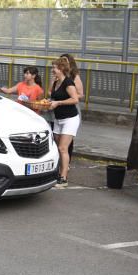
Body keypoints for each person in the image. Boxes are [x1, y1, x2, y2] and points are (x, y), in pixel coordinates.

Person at [49, 58, 81, 187]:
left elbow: (75, 99)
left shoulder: (68, 83)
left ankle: (63, 178)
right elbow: (53, 97)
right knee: (57, 148)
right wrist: (48, 102)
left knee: (63, 148)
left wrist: (59, 103)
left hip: (70, 119)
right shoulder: (56, 82)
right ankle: (60, 171)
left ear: (61, 69)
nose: (53, 70)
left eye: (54, 68)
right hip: (58, 119)